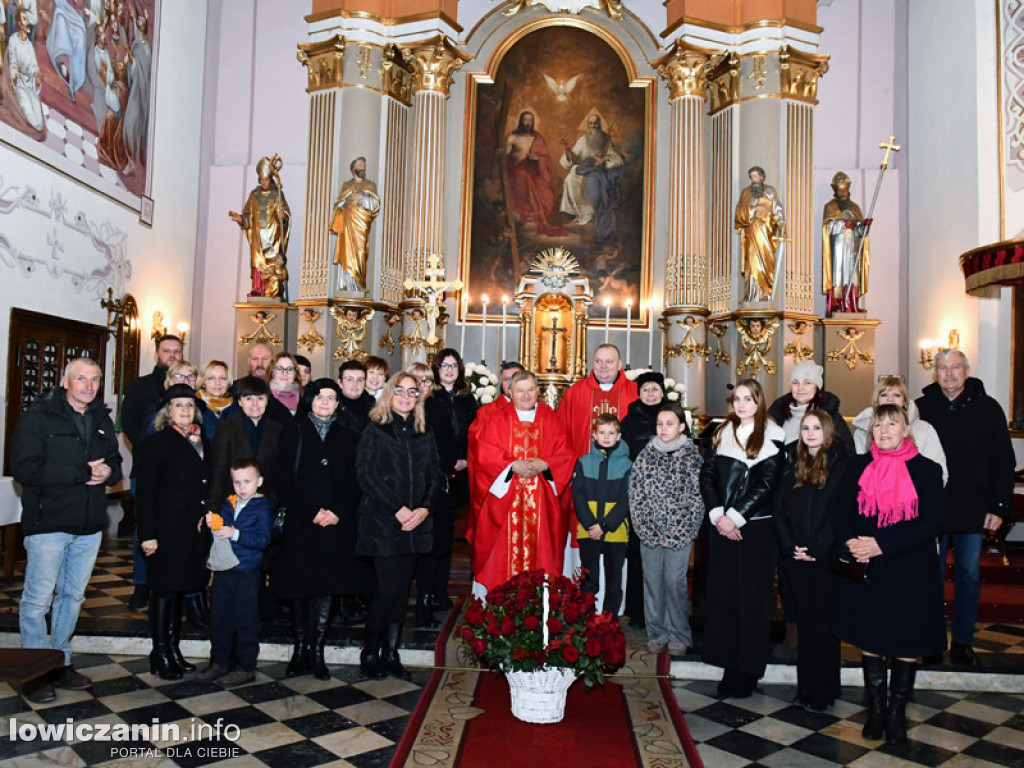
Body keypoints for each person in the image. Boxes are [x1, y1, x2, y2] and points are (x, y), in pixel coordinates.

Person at [11, 358, 123, 703]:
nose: (89, 386)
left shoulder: (102, 419)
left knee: (72, 598)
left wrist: (109, 475)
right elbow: (25, 468)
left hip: (88, 525)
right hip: (49, 523)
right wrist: (80, 471)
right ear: (65, 381)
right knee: (37, 601)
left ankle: (60, 662)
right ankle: (33, 671)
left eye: (95, 380)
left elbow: (116, 464)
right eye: (81, 379)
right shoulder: (38, 417)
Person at [833, 404, 945, 744]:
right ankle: (877, 710)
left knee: (906, 638)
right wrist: (850, 540)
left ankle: (896, 713)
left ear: (905, 430)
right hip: (868, 566)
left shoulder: (926, 470)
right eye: (878, 425)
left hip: (910, 566)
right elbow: (840, 510)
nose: (883, 430)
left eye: (892, 424)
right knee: (872, 637)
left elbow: (932, 523)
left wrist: (882, 544)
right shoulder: (857, 465)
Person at [916, 349, 1015, 667]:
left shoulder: (988, 407)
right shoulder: (922, 407)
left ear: (967, 370)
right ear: (935, 373)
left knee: (969, 578)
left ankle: (962, 642)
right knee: (929, 577)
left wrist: (999, 506)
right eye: (942, 368)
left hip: (974, 508)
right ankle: (930, 640)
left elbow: (1004, 460)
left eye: (955, 367)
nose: (948, 373)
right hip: (931, 509)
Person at [700, 379, 786, 699]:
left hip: (755, 529)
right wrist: (718, 515)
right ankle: (727, 663)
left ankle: (748, 669)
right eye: (737, 399)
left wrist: (735, 517)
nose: (741, 404)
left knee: (752, 600)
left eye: (748, 399)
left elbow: (766, 484)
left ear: (759, 401)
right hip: (721, 525)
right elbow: (707, 475)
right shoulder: (721, 432)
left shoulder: (773, 435)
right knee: (725, 597)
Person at [356, 372, 444, 679]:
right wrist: (399, 510)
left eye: (412, 391)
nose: (406, 396)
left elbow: (435, 476)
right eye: (400, 391)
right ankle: (369, 652)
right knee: (388, 589)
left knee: (402, 590)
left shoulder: (424, 432)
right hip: (384, 522)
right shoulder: (375, 428)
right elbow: (365, 476)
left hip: (416, 523)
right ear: (389, 394)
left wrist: (423, 509)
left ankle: (391, 654)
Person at [767, 360, 854, 656]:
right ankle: (792, 637)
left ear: (817, 386)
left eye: (807, 382)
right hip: (788, 506)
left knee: (819, 596)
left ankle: (818, 644)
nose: (801, 387)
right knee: (789, 583)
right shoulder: (777, 417)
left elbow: (845, 468)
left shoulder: (833, 419)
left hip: (821, 521)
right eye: (796, 382)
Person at [275, 379, 360, 680]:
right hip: (302, 522)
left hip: (336, 525)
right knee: (300, 586)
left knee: (326, 587)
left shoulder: (350, 437)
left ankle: (318, 652)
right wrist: (310, 512)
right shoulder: (292, 433)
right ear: (310, 400)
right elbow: (282, 479)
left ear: (338, 403)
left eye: (332, 398)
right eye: (320, 397)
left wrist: (337, 512)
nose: (326, 402)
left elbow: (356, 481)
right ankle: (300, 650)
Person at [467, 370, 576, 594]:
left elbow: (566, 454)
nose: (526, 395)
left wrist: (546, 464)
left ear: (538, 391)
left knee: (541, 552)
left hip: (541, 504)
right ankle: (498, 605)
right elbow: (483, 453)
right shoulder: (496, 417)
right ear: (509, 392)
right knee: (501, 554)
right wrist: (511, 465)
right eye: (520, 390)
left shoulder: (550, 417)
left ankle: (540, 606)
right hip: (505, 502)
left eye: (530, 390)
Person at [772, 411, 848, 712]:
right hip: (795, 556)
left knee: (824, 625)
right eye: (805, 428)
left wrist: (818, 547)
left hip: (824, 557)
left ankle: (825, 689)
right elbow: (778, 509)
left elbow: (839, 513)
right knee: (804, 624)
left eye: (816, 427)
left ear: (827, 431)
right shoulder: (792, 464)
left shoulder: (840, 465)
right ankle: (806, 688)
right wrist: (791, 545)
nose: (811, 432)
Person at [135, 384, 211, 680]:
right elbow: (146, 494)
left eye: (189, 406)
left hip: (191, 531)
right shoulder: (156, 444)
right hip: (165, 531)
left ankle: (174, 649)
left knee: (179, 590)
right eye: (178, 405)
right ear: (167, 412)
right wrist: (148, 535)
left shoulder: (202, 440)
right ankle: (160, 652)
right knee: (163, 592)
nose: (184, 410)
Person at [629, 404, 704, 656]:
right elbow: (636, 494)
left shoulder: (693, 458)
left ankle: (679, 633)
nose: (663, 428)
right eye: (660, 423)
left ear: (682, 426)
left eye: (669, 423)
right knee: (652, 582)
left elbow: (697, 498)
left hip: (678, 535)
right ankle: (657, 632)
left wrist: (675, 532)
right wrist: (648, 529)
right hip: (649, 533)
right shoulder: (645, 455)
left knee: (674, 582)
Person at [196, 459, 273, 686]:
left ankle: (246, 666)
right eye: (237, 482)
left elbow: (263, 539)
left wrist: (235, 533)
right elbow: (219, 534)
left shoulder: (262, 506)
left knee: (245, 620)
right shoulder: (227, 503)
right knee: (219, 617)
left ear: (258, 482)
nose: (241, 487)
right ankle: (219, 662)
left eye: (247, 482)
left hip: (247, 571)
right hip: (224, 569)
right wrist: (215, 525)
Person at [121, 334, 183, 612]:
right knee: (144, 528)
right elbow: (130, 425)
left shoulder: (188, 387)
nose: (171, 355)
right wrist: (153, 451)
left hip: (181, 474)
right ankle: (141, 585)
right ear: (157, 353)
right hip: (147, 468)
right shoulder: (141, 386)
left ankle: (173, 584)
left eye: (176, 351)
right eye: (166, 350)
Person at [418, 350, 477, 626]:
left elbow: (475, 434)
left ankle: (441, 593)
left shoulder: (468, 400)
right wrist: (443, 464)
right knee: (433, 540)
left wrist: (467, 458)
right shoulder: (429, 398)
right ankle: (426, 597)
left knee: (446, 541)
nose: (450, 370)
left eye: (454, 365)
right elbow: (426, 436)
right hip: (435, 475)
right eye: (445, 365)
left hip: (460, 475)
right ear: (437, 369)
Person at [619, 370, 670, 630]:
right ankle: (638, 612)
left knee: (665, 553)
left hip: (669, 498)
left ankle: (662, 612)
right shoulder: (628, 422)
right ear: (639, 394)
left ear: (663, 392)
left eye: (655, 389)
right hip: (639, 496)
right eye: (646, 390)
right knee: (639, 553)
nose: (651, 394)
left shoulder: (673, 417)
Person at [573, 413, 631, 619]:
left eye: (611, 433)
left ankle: (609, 622)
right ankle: (586, 621)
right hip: (588, 530)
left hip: (615, 530)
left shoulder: (627, 465)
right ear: (594, 435)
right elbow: (578, 495)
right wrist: (590, 524)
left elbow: (626, 499)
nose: (606, 437)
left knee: (614, 581)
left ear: (619, 436)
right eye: (602, 432)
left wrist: (605, 525)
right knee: (589, 579)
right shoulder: (583, 462)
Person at [209, 376, 284, 515]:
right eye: (248, 398)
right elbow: (219, 472)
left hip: (267, 508)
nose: (255, 404)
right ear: (239, 401)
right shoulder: (226, 429)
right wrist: (213, 508)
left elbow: (280, 474)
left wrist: (274, 503)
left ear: (267, 401)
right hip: (232, 507)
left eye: (260, 398)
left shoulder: (278, 430)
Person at [852, 375, 947, 483]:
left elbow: (939, 472)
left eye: (896, 395)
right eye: (884, 394)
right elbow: (857, 474)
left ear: (904, 402)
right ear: (876, 401)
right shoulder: (861, 433)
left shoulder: (924, 429)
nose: (890, 399)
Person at [557, 343, 638, 461]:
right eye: (598, 361)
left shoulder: (635, 392)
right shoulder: (575, 392)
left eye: (609, 362)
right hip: (585, 468)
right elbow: (561, 432)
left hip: (624, 469)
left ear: (619, 364)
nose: (603, 366)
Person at [229, 155, 290, 299]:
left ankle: (273, 291)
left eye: (266, 179)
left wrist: (284, 216)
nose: (264, 182)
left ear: (271, 179)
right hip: (257, 237)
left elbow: (285, 213)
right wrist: (241, 219)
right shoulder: (254, 195)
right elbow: (248, 216)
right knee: (257, 262)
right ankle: (257, 290)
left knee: (273, 262)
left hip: (272, 235)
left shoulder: (277, 194)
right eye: (261, 180)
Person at [559, 112, 623, 241]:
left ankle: (589, 216)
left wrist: (604, 160)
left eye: (595, 123)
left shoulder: (605, 140)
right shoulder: (582, 139)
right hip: (583, 169)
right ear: (587, 125)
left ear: (599, 125)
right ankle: (579, 214)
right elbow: (573, 158)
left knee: (592, 179)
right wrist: (568, 152)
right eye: (590, 124)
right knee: (570, 179)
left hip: (598, 172)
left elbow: (617, 159)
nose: (593, 126)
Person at [505, 110, 562, 235]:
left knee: (546, 193)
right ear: (520, 121)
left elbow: (545, 158)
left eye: (530, 120)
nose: (528, 123)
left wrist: (537, 158)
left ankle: (534, 217)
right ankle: (523, 216)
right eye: (525, 120)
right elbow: (505, 157)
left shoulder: (537, 138)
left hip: (534, 172)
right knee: (523, 178)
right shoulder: (513, 137)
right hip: (517, 172)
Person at [822, 171, 871, 314]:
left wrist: (864, 226)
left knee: (852, 272)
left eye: (845, 190)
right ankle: (837, 304)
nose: (843, 193)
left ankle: (852, 303)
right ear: (836, 191)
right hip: (838, 244)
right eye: (840, 190)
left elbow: (861, 233)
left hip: (853, 247)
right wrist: (843, 224)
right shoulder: (830, 207)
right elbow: (827, 228)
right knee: (838, 272)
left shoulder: (855, 207)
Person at [734, 165, 785, 302]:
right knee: (752, 263)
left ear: (762, 177)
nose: (754, 179)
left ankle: (765, 293)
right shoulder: (746, 192)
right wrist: (752, 210)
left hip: (765, 231)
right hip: (751, 231)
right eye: (752, 177)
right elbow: (739, 212)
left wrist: (782, 227)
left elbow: (778, 210)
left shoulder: (770, 191)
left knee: (766, 262)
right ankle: (752, 294)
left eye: (756, 176)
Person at [332, 156, 380, 292]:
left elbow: (375, 205)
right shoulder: (346, 185)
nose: (363, 168)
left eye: (364, 165)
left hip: (361, 224)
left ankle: (359, 284)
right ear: (353, 168)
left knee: (361, 252)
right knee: (346, 251)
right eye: (360, 165)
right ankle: (346, 283)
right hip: (348, 223)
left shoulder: (370, 185)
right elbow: (339, 204)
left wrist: (362, 197)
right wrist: (346, 199)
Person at [45, 0, 87, 102]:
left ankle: (75, 76)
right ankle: (63, 59)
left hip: (75, 18)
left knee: (79, 38)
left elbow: (80, 6)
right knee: (60, 23)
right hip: (63, 11)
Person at [196, 360, 236, 441]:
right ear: (203, 382)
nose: (217, 383)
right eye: (211, 378)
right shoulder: (194, 407)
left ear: (228, 382)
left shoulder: (237, 407)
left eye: (222, 378)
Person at [337, 360, 373, 434]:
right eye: (349, 379)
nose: (355, 384)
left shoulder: (373, 407)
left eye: (360, 380)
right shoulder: (330, 406)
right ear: (340, 382)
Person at [267, 351, 302, 417]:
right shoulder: (262, 397)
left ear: (295, 374)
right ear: (272, 372)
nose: (285, 373)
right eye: (279, 368)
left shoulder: (303, 398)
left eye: (290, 369)